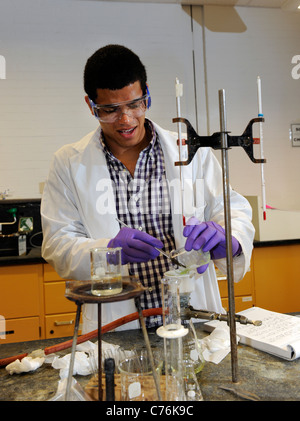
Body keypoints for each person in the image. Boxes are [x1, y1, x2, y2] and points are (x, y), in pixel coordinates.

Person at [41, 44, 255, 334]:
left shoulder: (192, 153)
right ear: (91, 106)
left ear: (147, 95)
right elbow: (57, 245)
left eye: (135, 104)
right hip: (119, 324)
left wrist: (228, 239)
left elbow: (233, 210)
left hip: (191, 318)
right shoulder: (68, 163)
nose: (126, 119)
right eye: (110, 110)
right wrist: (109, 250)